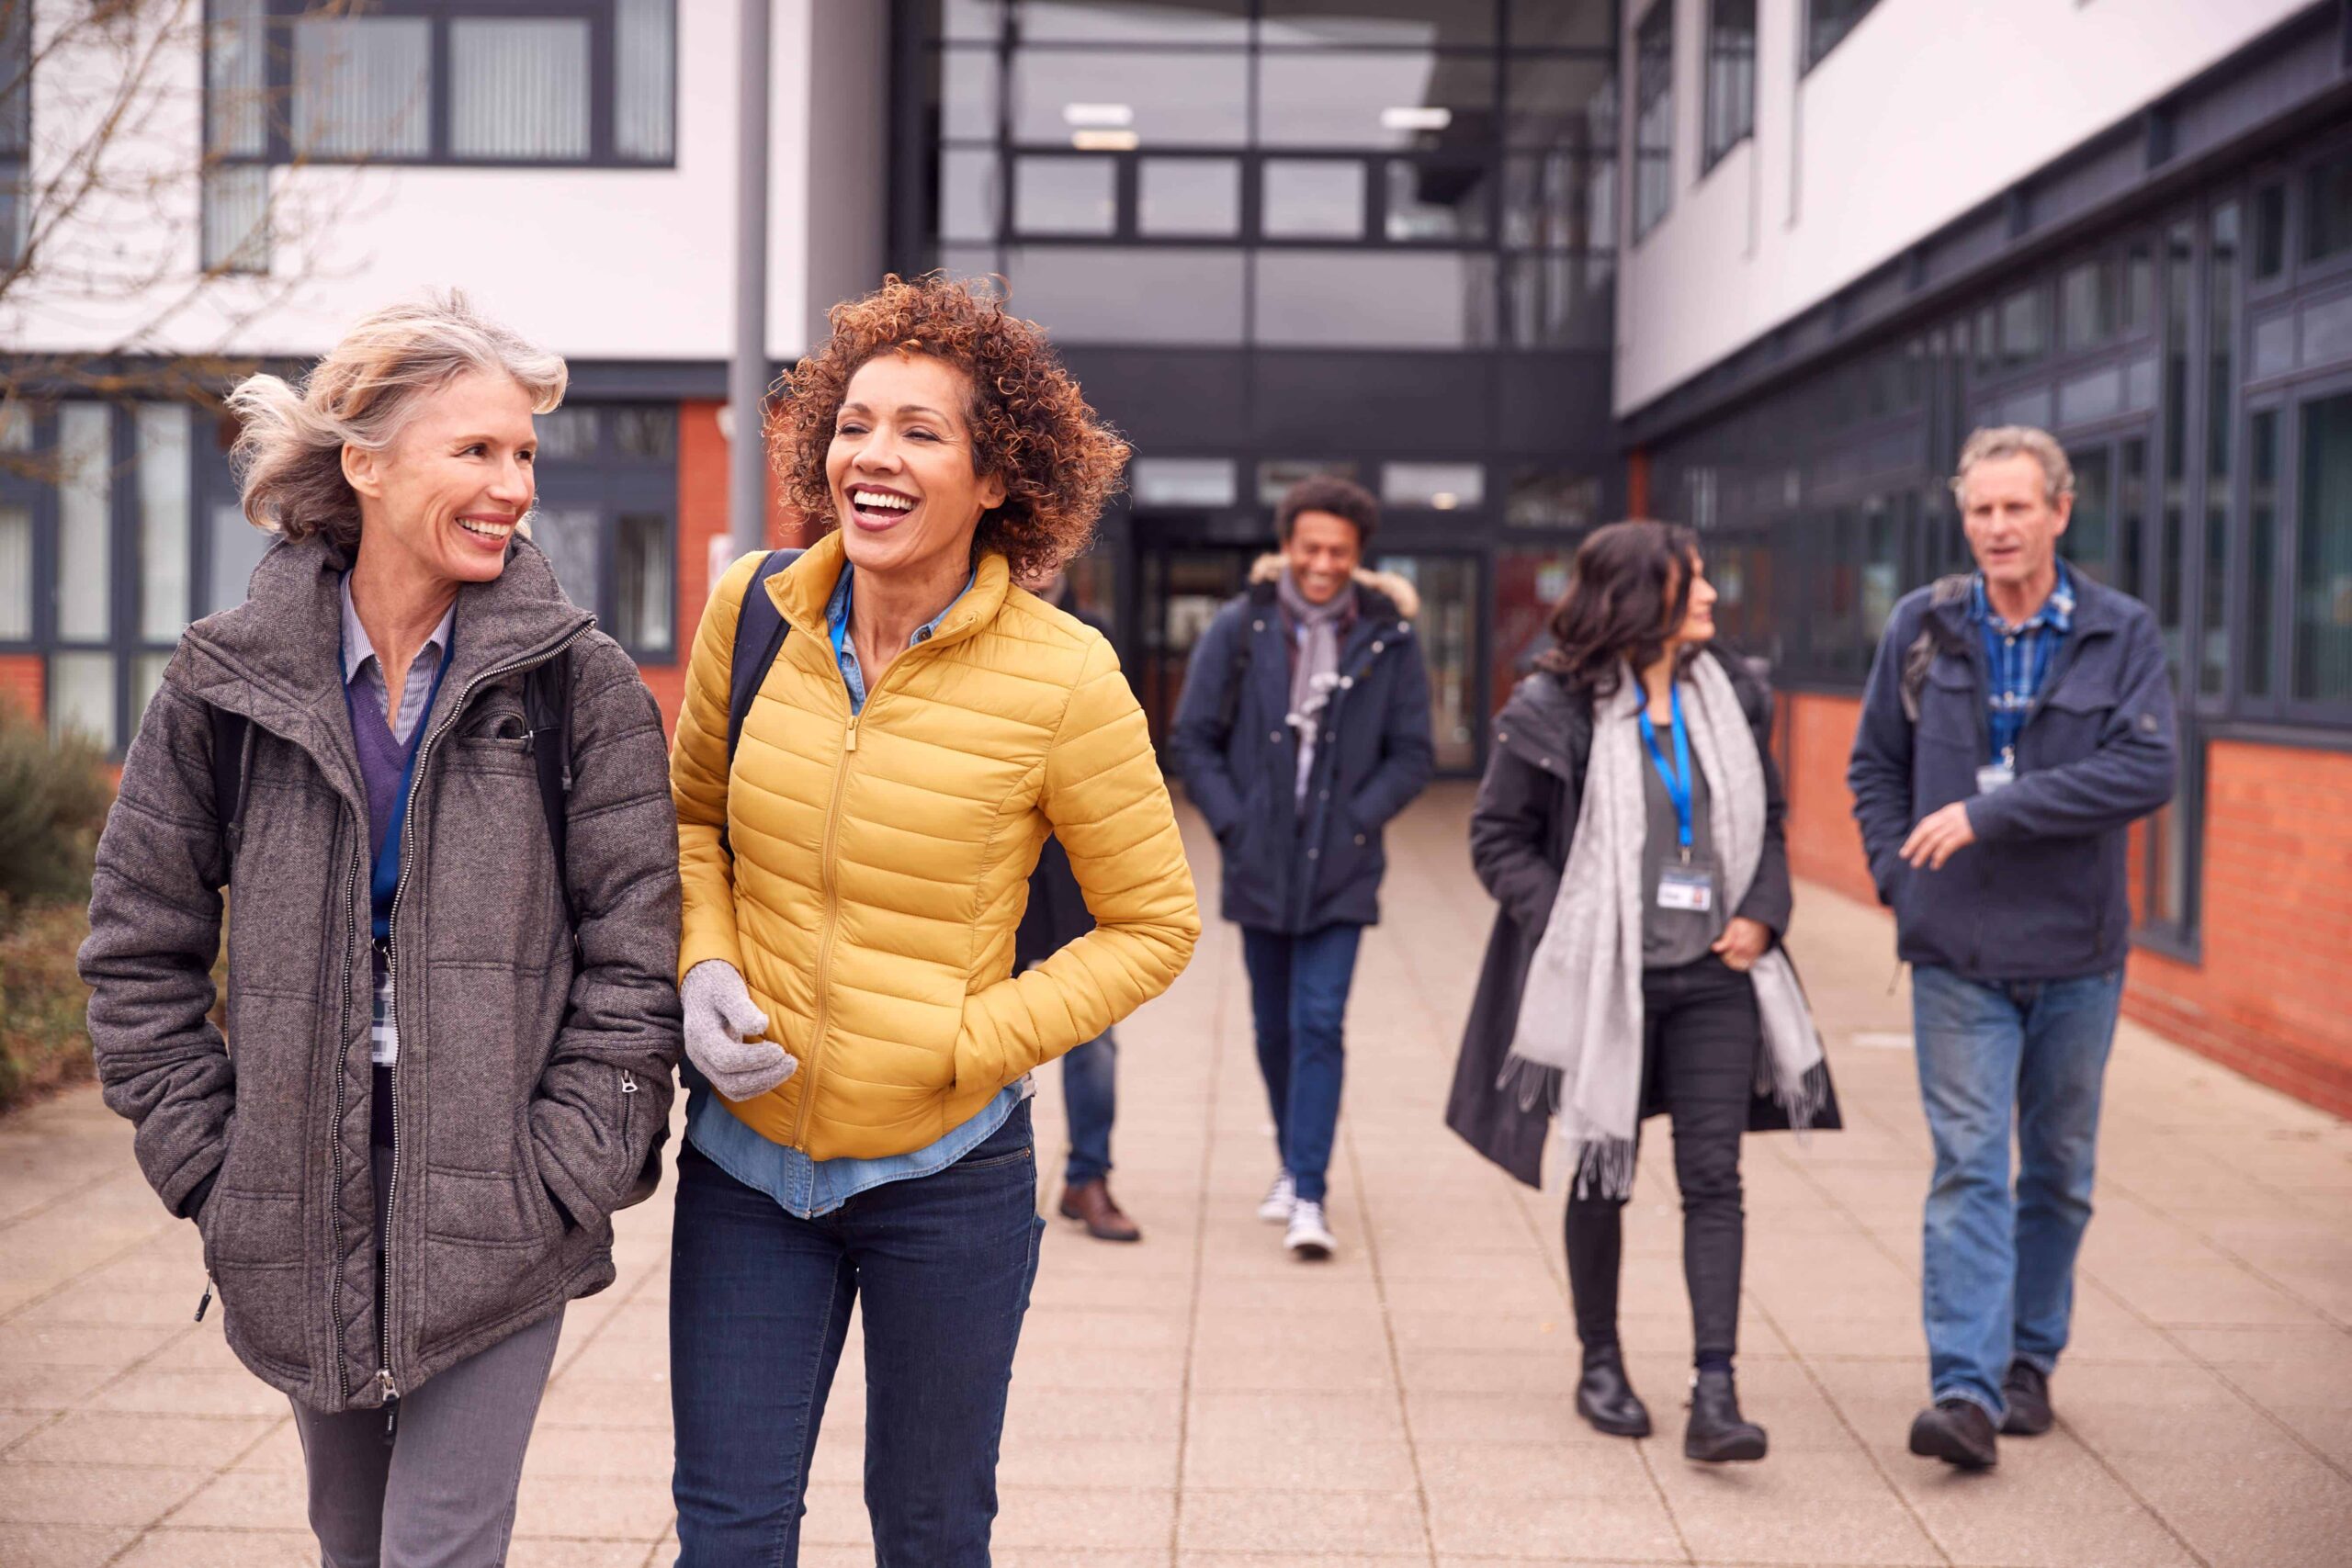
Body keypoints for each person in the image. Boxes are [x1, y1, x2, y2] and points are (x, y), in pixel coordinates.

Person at [79, 291, 683, 1565]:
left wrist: (566, 1167)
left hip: (506, 1193)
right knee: (353, 1539)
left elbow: (637, 956)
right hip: (295, 1191)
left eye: (523, 453)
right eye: (475, 450)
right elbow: (137, 942)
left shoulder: (584, 685)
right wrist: (212, 1164)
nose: (513, 484)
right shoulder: (221, 682)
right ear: (364, 461)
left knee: (438, 1546)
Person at [665, 274, 1199, 1564]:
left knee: (930, 1529)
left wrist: (971, 1038)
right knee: (727, 1535)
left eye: (920, 429)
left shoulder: (1065, 676)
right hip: (746, 1166)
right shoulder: (754, 610)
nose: (873, 455)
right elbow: (689, 825)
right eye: (853, 423)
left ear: (999, 474)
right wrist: (706, 961)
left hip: (944, 1176)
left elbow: (1154, 920)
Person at [1446, 519, 1839, 1463]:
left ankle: (1716, 1393)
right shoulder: (1555, 706)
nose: (1708, 595)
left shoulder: (1733, 695)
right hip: (1605, 982)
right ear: (1637, 597)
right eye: (1691, 581)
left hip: (1716, 976)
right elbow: (1495, 839)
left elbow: (1771, 821)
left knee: (1714, 1177)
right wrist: (1583, 927)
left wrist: (1763, 911)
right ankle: (1601, 1364)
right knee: (1602, 1170)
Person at [1849, 425, 2176, 1472]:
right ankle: (1966, 1391)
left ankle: (2030, 1359)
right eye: (1980, 510)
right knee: (1968, 1167)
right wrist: (1901, 885)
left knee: (2061, 1171)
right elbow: (1873, 769)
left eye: (2016, 508)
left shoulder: (2120, 633)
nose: (1996, 527)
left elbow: (2146, 772)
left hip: (2078, 950)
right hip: (1956, 953)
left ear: (2058, 513)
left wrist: (1998, 813)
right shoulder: (1922, 624)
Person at [1169, 476, 1434, 1261]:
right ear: (1287, 546)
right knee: (1274, 1025)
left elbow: (1413, 754)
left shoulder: (1390, 639)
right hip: (1260, 862)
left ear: (1359, 557)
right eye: (1311, 547)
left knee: (1320, 1021)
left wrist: (1356, 819)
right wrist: (1237, 821)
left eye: (1339, 552)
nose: (1323, 563)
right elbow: (1193, 739)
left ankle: (1309, 1192)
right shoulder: (1240, 626)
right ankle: (1293, 1160)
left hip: (1343, 870)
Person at [1018, 568, 1141, 1244]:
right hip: (992, 872)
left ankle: (1087, 1177)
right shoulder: (966, 626)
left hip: (1075, 873)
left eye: (1053, 554)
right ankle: (977, 1178)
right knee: (984, 1035)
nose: (1039, 567)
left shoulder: (1097, 637)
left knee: (1093, 1037)